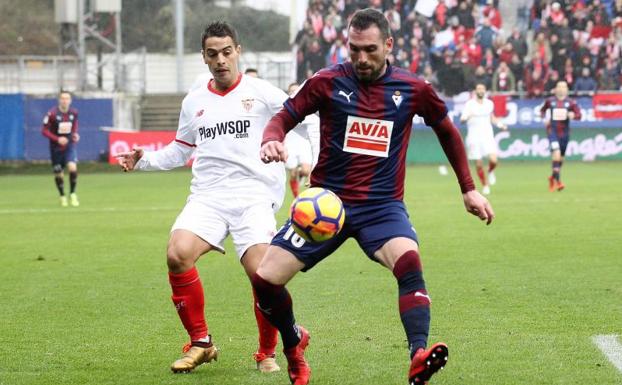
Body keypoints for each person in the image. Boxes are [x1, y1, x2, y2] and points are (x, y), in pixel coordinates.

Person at [254, 9, 495, 385]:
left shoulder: (413, 89)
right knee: (266, 279)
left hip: (382, 207)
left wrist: (468, 188)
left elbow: (447, 131)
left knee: (410, 261)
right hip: (326, 207)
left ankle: (418, 354)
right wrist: (272, 137)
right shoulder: (327, 81)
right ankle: (293, 342)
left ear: (388, 45)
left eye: (369, 50)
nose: (361, 59)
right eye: (354, 50)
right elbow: (286, 115)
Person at [116, 22, 288, 374]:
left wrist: (302, 156)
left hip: (254, 195)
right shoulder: (194, 101)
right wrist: (144, 159)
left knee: (262, 274)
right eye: (213, 54)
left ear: (238, 50)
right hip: (208, 196)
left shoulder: (263, 93)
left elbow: (301, 119)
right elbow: (180, 150)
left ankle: (267, 352)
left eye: (227, 52)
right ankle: (201, 343)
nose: (221, 60)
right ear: (204, 57)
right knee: (177, 254)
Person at [460, 83, 508, 195]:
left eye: (482, 89)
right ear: (475, 91)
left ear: (485, 91)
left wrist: (501, 125)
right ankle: (485, 185)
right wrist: (466, 117)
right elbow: (462, 119)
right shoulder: (470, 104)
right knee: (478, 163)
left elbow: (492, 118)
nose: (480, 91)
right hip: (473, 137)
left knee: (494, 160)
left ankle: (490, 171)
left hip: (487, 136)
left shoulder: (489, 104)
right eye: (478, 89)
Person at [539, 80, 581, 191]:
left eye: (564, 87)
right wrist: (544, 118)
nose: (562, 89)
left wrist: (573, 115)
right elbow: (542, 111)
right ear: (556, 89)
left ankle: (552, 177)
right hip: (552, 132)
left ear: (567, 89)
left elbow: (579, 115)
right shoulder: (550, 101)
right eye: (559, 87)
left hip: (565, 134)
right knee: (556, 154)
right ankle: (559, 182)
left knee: (560, 159)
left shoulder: (571, 103)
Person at [41, 90, 80, 207]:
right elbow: (44, 130)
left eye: (67, 98)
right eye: (62, 98)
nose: (65, 101)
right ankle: (62, 196)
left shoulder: (74, 113)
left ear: (70, 100)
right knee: (59, 173)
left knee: (72, 168)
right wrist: (57, 139)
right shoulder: (51, 114)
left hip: (69, 145)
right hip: (56, 148)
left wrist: (75, 134)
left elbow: (74, 125)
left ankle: (73, 194)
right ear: (59, 100)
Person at [284, 82, 320, 197]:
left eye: (296, 90)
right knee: (293, 173)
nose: (294, 92)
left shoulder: (308, 106)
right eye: (291, 91)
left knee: (305, 170)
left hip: (304, 143)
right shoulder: (284, 108)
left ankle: (302, 177)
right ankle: (296, 198)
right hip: (290, 143)